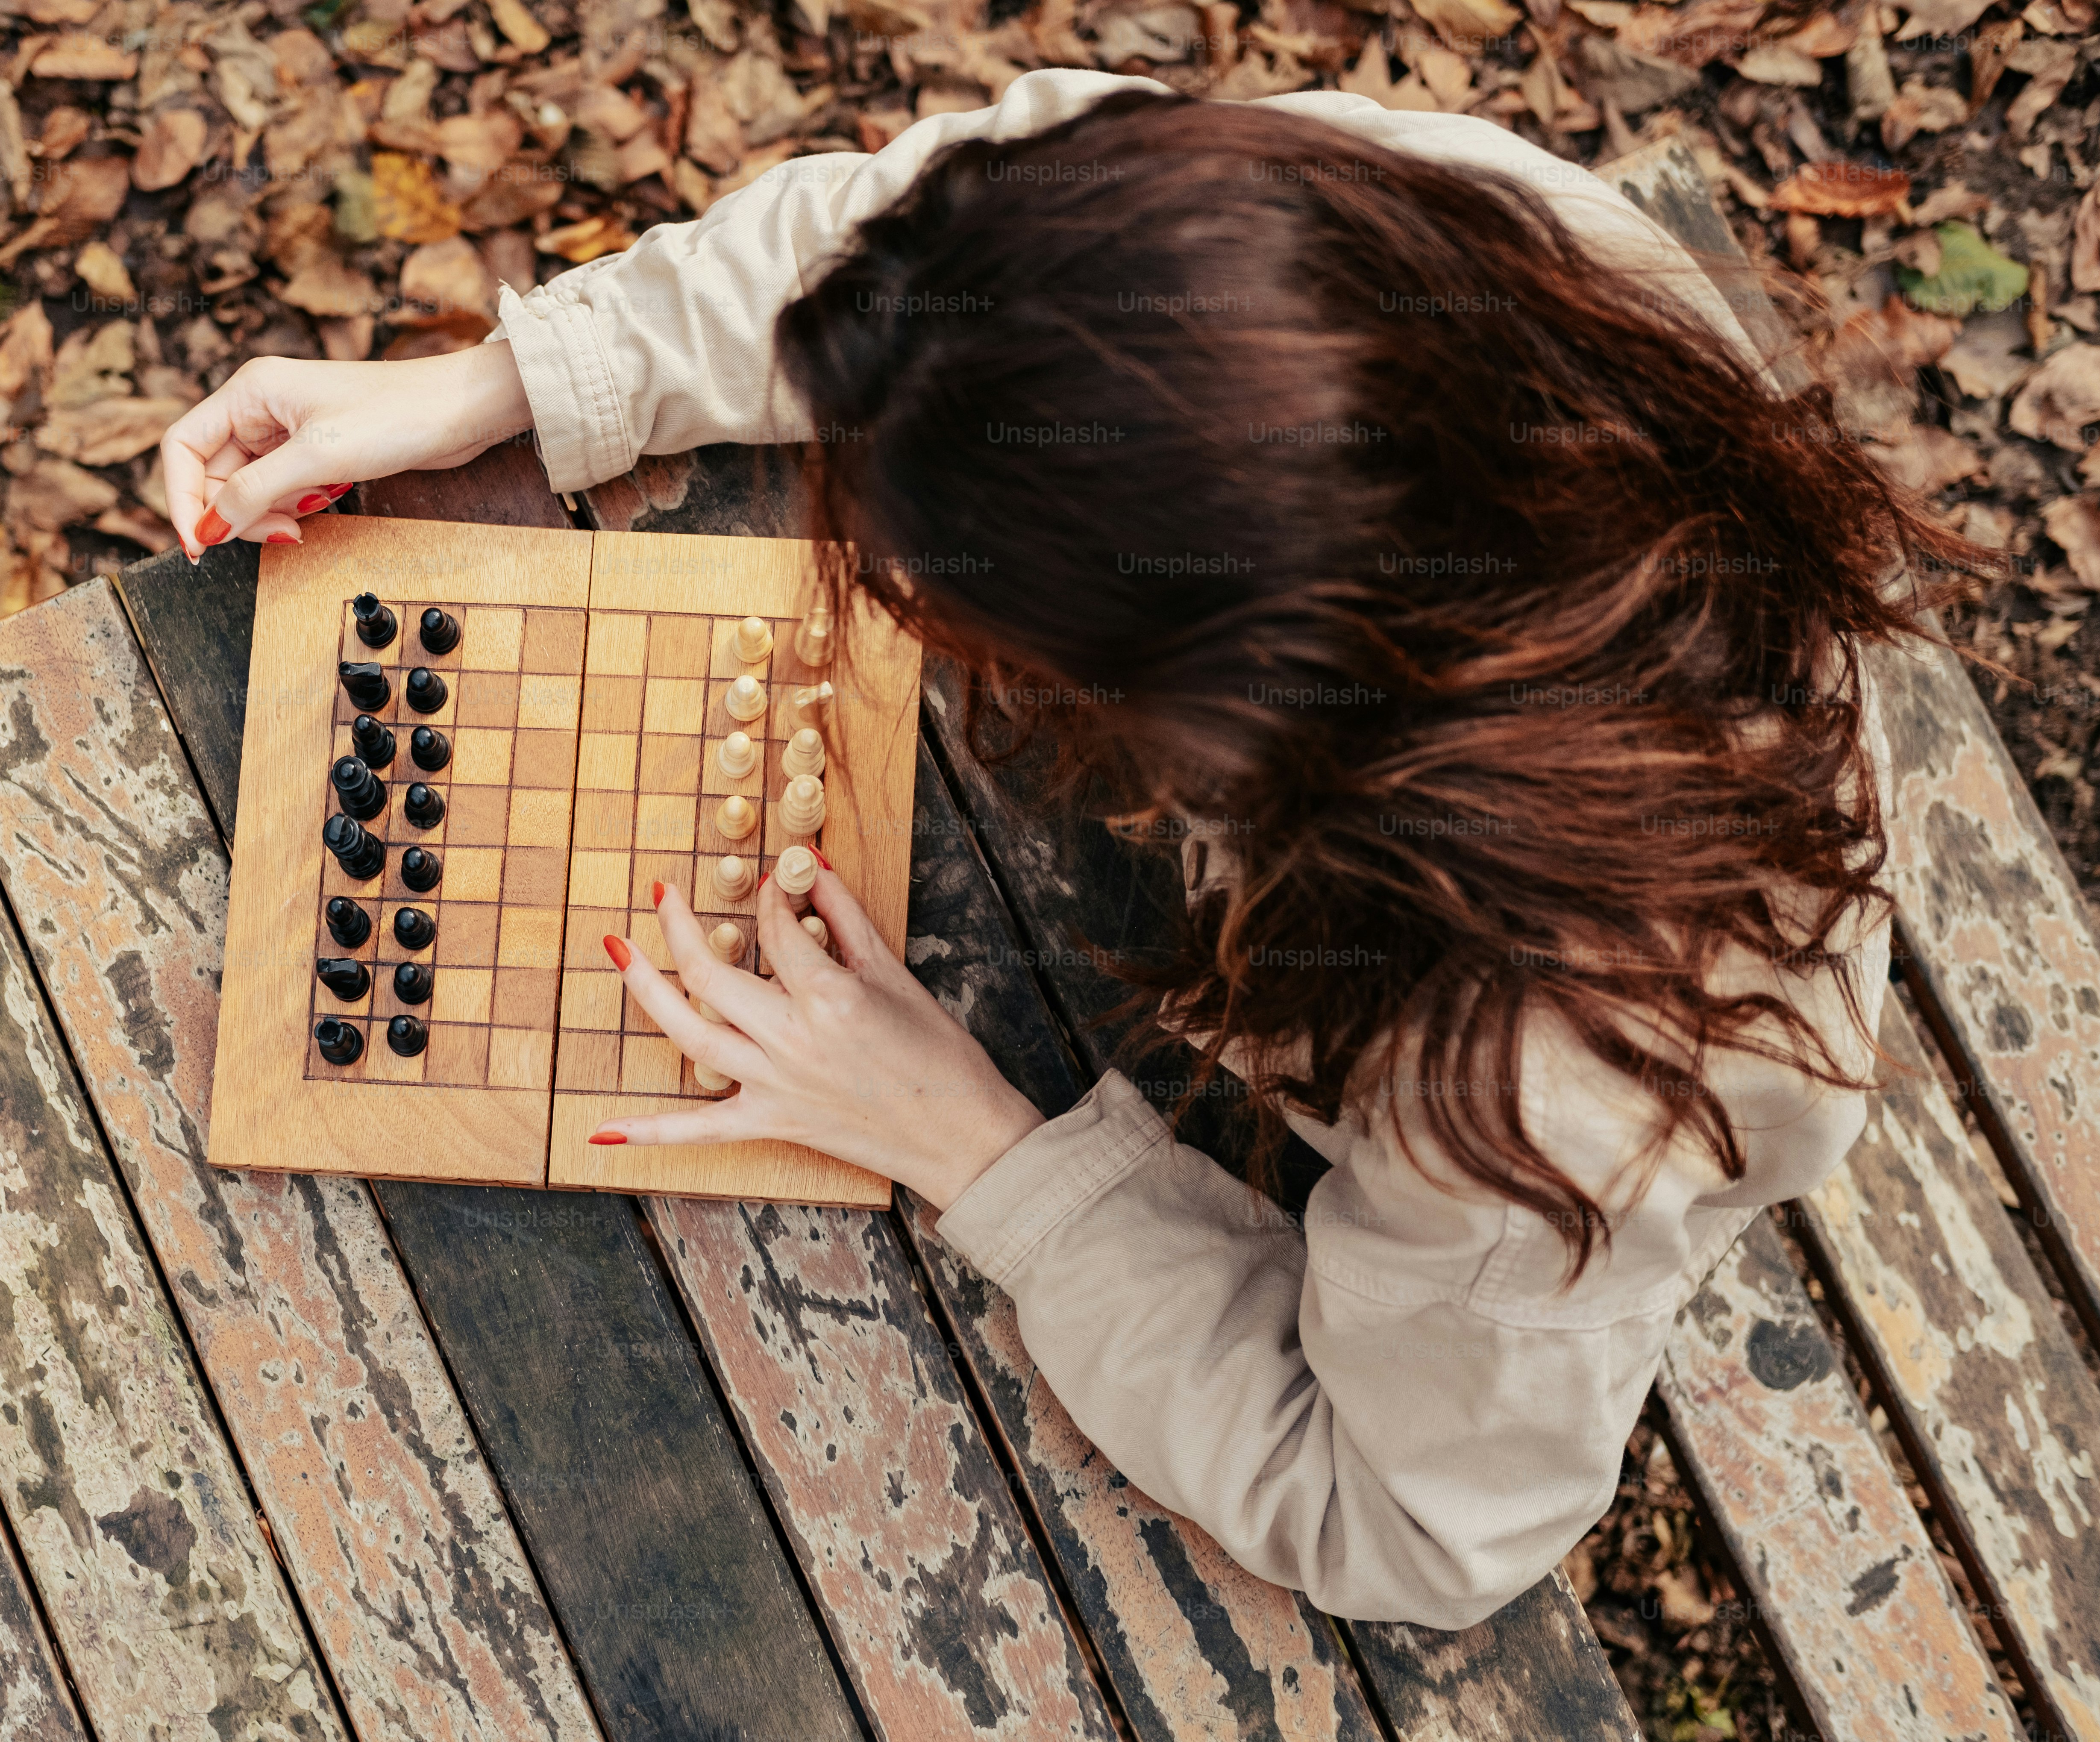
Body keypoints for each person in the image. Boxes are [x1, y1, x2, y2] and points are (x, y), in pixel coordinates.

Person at [159, 69, 1982, 1629]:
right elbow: (955, 250)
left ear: (1199, 710)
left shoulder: (1538, 1094)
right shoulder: (1432, 238)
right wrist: (515, 381)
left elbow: (1417, 1529)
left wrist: (972, 1146)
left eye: (958, 607)